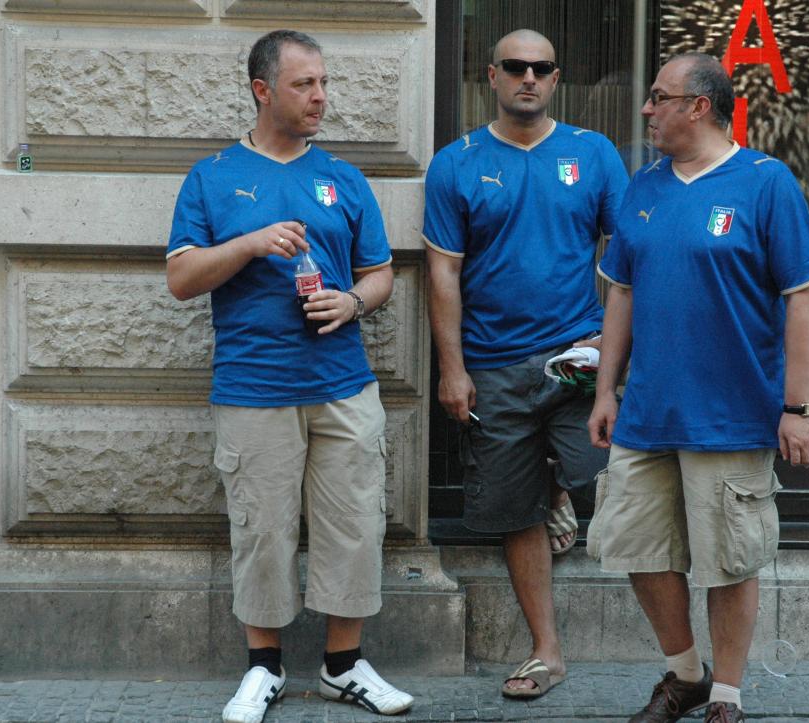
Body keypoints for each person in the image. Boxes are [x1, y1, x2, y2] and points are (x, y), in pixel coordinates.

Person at [165, 29, 413, 723]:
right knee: (263, 532)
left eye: (324, 83)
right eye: (305, 84)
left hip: (343, 385)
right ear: (262, 90)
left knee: (353, 526)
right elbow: (181, 277)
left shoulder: (343, 177)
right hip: (254, 389)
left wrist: (354, 301)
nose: (320, 97)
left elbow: (380, 271)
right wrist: (248, 242)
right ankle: (263, 668)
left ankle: (343, 665)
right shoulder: (213, 176)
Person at [588, 53, 809, 723]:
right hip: (646, 412)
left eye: (659, 97)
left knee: (729, 560)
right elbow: (621, 293)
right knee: (638, 549)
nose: (647, 109)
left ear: (699, 106)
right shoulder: (643, 185)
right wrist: (606, 390)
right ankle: (685, 674)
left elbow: (802, 297)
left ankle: (726, 694)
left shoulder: (765, 182)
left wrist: (797, 407)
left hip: (731, 414)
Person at [423, 28, 628, 699]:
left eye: (541, 68)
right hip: (493, 363)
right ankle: (546, 651)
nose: (529, 78)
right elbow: (442, 273)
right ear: (492, 76)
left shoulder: (592, 153)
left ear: (556, 77)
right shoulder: (456, 163)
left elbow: (627, 260)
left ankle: (557, 485)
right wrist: (452, 370)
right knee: (515, 512)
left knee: (610, 469)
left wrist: (609, 345)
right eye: (515, 67)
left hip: (573, 355)